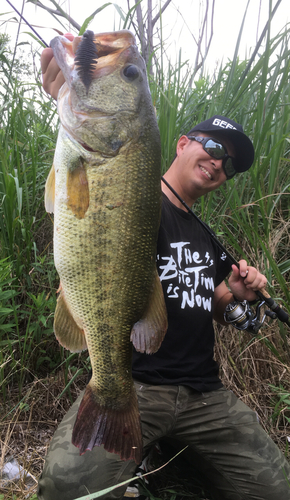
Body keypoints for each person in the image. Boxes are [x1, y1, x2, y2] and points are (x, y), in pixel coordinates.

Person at [38, 40, 290, 500]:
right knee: (65, 489)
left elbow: (198, 302)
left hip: (205, 392)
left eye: (229, 164)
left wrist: (230, 293)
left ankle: (179, 456)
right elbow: (84, 207)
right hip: (138, 383)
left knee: (275, 492)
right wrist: (62, 88)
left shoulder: (203, 233)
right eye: (213, 146)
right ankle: (148, 445)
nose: (219, 162)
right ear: (181, 144)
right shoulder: (136, 198)